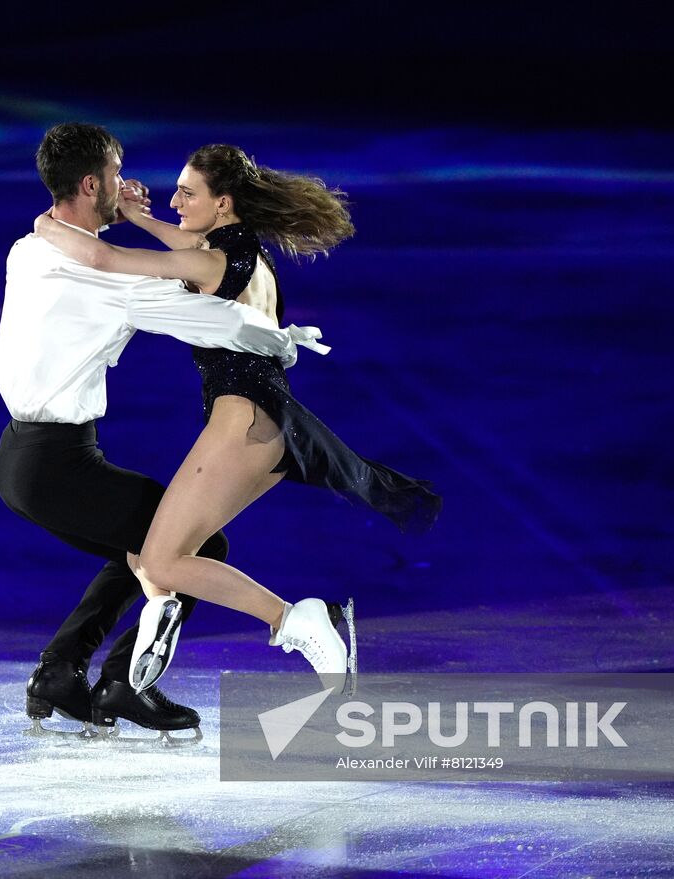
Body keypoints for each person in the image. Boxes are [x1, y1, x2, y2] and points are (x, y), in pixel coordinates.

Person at [34, 144, 442, 693]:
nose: (174, 199)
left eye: (188, 192)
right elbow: (184, 242)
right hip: (260, 420)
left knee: (161, 561)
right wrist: (136, 215)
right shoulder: (242, 250)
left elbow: (105, 261)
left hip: (242, 421)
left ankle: (295, 620)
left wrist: (47, 223)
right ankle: (161, 615)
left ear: (222, 203)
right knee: (167, 555)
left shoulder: (213, 260)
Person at [0, 125, 326, 740]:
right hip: (60, 466)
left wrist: (120, 221)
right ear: (92, 183)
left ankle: (62, 672)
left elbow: (89, 251)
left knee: (144, 550)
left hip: (18, 461)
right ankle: (122, 685)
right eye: (117, 174)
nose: (129, 185)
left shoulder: (29, 249)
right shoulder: (111, 286)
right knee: (189, 549)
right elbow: (209, 318)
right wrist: (277, 339)